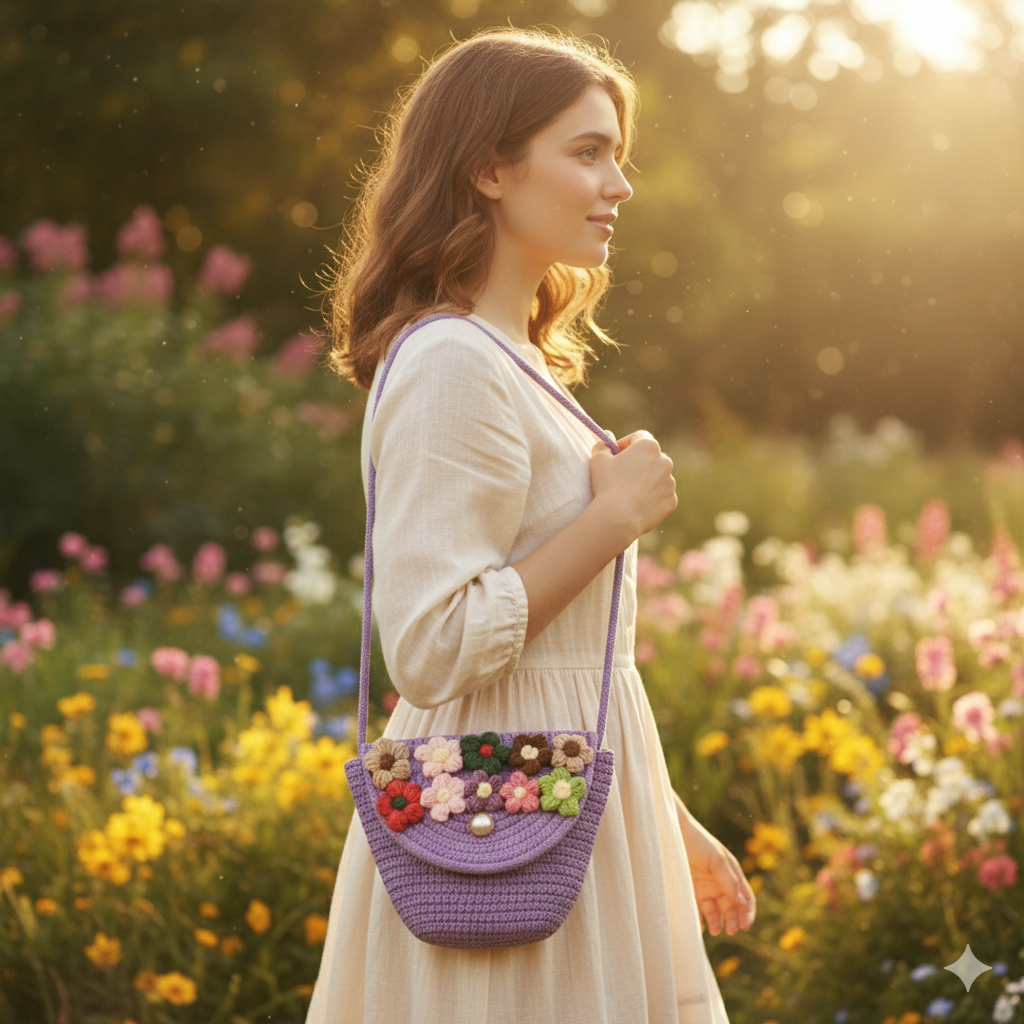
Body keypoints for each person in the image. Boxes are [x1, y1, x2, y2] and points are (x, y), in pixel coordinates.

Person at [307, 26, 756, 1024]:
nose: (619, 186)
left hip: (561, 813)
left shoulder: (518, 364)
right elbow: (431, 647)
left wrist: (659, 816)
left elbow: (569, 653)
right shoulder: (451, 362)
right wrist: (614, 518)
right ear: (488, 167)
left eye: (617, 155)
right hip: (485, 837)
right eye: (587, 152)